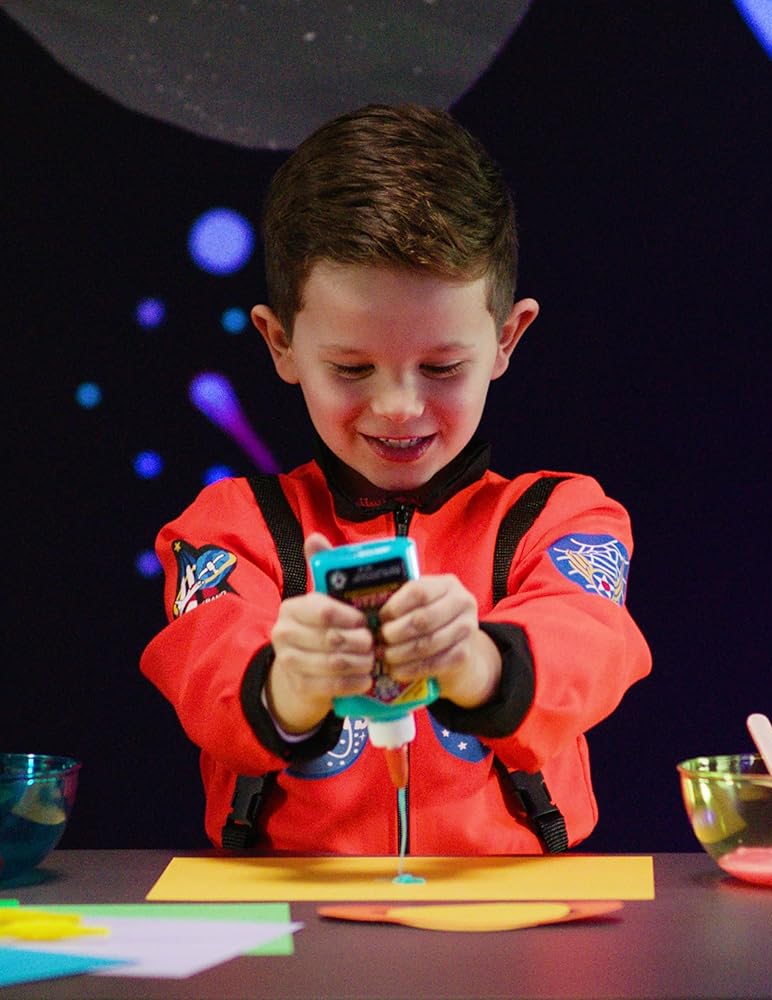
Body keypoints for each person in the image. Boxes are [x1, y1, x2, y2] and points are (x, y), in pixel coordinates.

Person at [141, 104, 652, 855]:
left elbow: (589, 643)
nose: (399, 406)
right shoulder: (230, 526)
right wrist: (293, 682)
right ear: (280, 344)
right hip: (289, 904)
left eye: (442, 367)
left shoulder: (564, 516)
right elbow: (205, 667)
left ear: (507, 339)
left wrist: (477, 661)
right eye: (352, 368)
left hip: (511, 907)